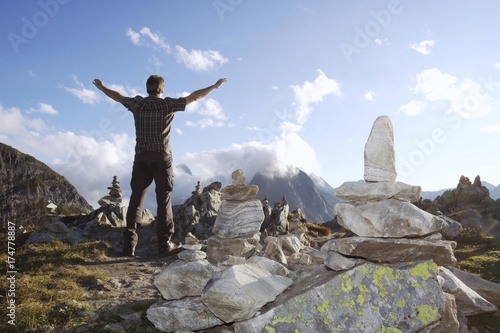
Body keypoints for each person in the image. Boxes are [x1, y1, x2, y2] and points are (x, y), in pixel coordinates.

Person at [93, 75, 227, 257]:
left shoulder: (137, 104)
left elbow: (118, 97)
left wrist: (102, 88)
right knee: (163, 200)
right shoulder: (167, 105)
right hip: (162, 158)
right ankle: (164, 245)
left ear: (147, 88)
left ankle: (129, 245)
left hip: (141, 158)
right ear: (161, 89)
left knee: (136, 199)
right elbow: (194, 97)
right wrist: (214, 86)